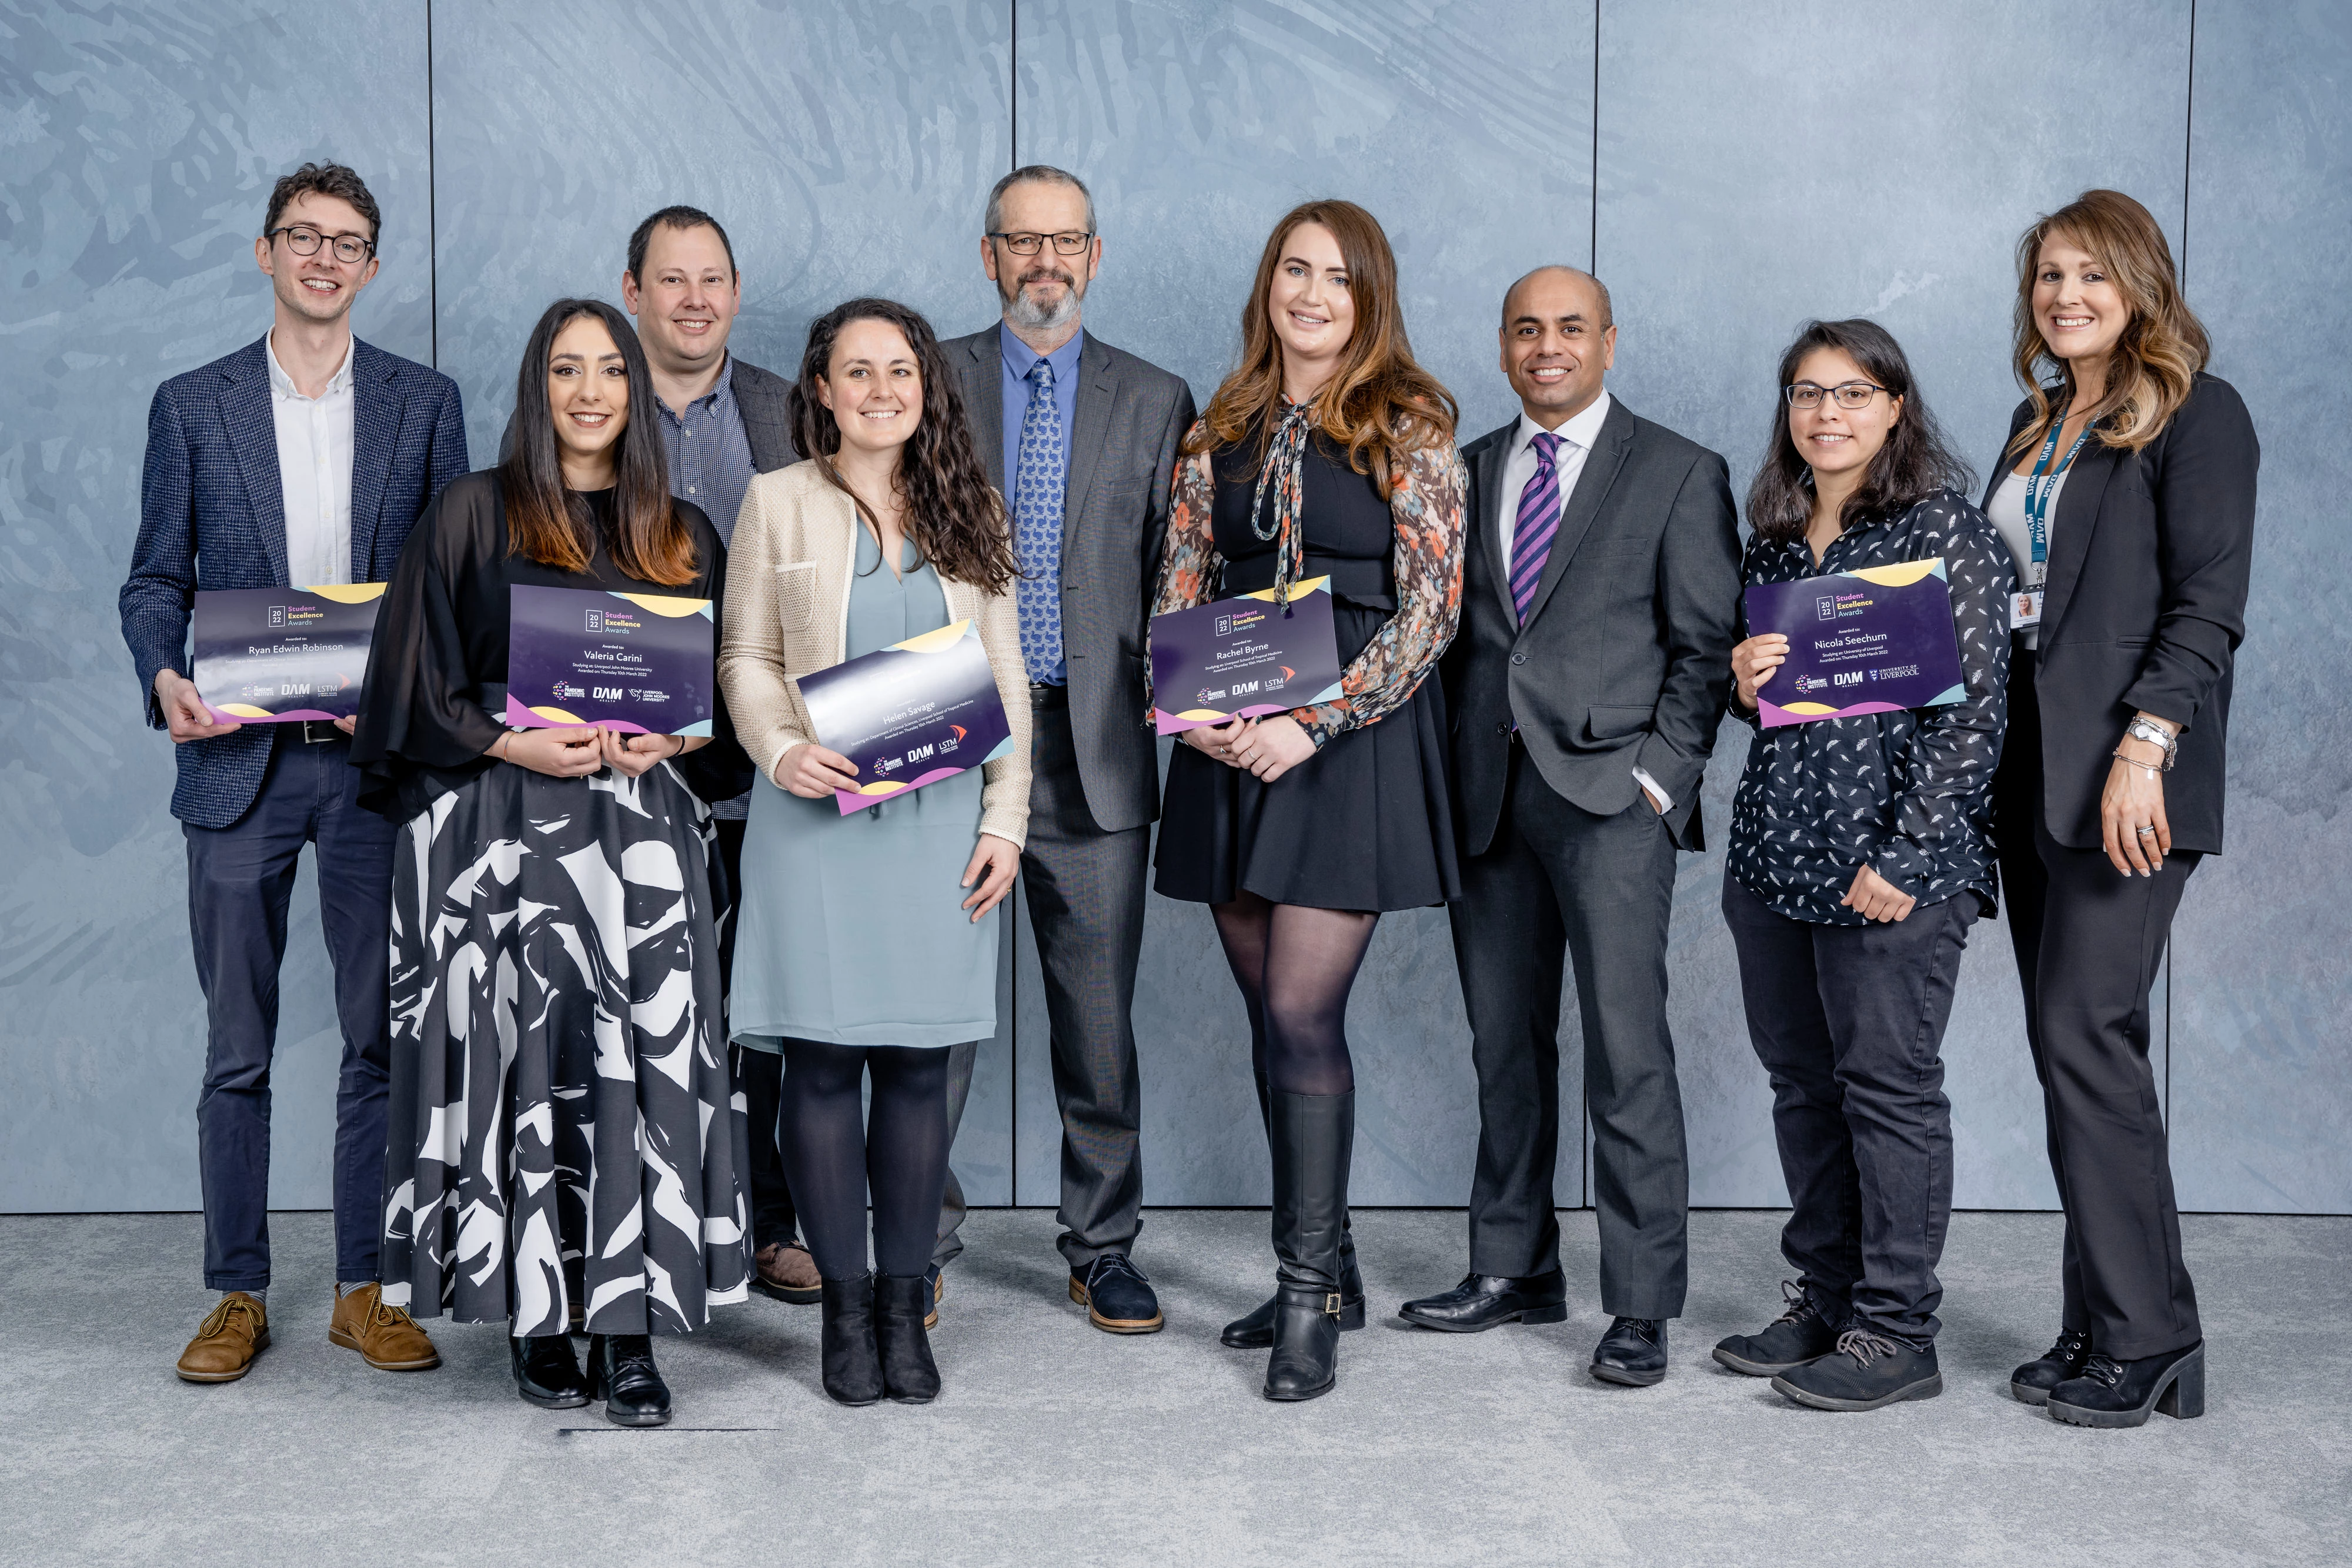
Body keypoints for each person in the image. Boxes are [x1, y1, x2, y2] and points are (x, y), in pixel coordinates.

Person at [353, 299, 753, 1428]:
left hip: (643, 853)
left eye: (611, 371)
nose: (590, 391)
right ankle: (538, 1320)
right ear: (538, 387)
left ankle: (627, 1333)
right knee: (525, 1076)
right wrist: (503, 736)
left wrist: (673, 736)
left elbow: (726, 706)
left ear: (637, 390)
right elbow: (409, 681)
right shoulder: (472, 514)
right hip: (501, 844)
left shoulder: (680, 530)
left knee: (635, 1078)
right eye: (567, 370)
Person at [119, 161, 465, 1385]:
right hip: (237, 765)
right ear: (265, 251)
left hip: (373, 771)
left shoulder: (424, 404)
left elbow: (449, 588)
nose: (325, 258)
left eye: (349, 242)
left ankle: (365, 1287)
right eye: (304, 238)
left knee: (379, 1038)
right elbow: (155, 577)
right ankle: (235, 1290)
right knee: (238, 1044)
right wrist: (164, 671)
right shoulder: (193, 405)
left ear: (373, 266)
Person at [1150, 199, 1466, 1402]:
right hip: (1228, 744)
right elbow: (1179, 582)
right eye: (1295, 269)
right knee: (1262, 1018)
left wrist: (1313, 721)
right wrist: (1194, 706)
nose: (1312, 294)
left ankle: (1302, 1300)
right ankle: (1325, 1265)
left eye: (1338, 277)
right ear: (1267, 284)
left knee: (1300, 1012)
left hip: (1345, 746)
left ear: (1367, 295)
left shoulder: (1408, 424)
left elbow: (1431, 610)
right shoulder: (1214, 429)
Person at [1404, 266, 1740, 1388]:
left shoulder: (1681, 471)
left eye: (1571, 329)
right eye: (1526, 329)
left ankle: (1640, 1301)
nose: (1548, 346)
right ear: (1503, 346)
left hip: (1613, 805)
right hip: (1487, 799)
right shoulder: (1465, 472)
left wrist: (1664, 780)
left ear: (1610, 342)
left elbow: (1705, 645)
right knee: (1503, 1048)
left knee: (1626, 1052)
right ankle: (1514, 1267)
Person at [720, 298, 1031, 1407]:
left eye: (899, 369)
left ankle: (908, 1307)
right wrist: (781, 748)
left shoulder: (969, 506)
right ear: (823, 389)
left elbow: (1005, 676)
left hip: (940, 825)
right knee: (815, 1066)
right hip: (813, 820)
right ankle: (843, 1314)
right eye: (858, 371)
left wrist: (1005, 820)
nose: (881, 389)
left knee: (913, 1066)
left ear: (923, 385)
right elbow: (745, 656)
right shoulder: (779, 503)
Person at [1985, 190, 2256, 1429]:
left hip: (2123, 773)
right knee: (2072, 1047)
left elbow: (2205, 603)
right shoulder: (2036, 419)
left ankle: (2145, 1339)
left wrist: (2144, 744)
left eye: (2089, 273)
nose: (2065, 296)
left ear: (2138, 281)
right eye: (2047, 275)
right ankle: (2105, 1317)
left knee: (2080, 1029)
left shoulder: (2198, 414)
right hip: (2023, 772)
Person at [1713, 319, 2009, 1412]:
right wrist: (1741, 679)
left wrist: (1907, 855)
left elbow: (1973, 721)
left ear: (1895, 408)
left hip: (1891, 871)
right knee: (1803, 1087)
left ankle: (1897, 1330)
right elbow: (1773, 710)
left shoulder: (1945, 534)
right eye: (1805, 393)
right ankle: (1826, 1296)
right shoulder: (1780, 542)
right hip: (1775, 861)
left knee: (1886, 1091)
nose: (1826, 413)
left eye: (1851, 392)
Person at [933, 165, 1195, 1333]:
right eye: (1021, 242)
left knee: (1095, 1024)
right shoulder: (924, 377)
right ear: (988, 256)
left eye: (1066, 242)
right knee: (928, 1019)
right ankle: (914, 1243)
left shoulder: (1155, 396)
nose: (1045, 261)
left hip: (1093, 751)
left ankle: (1101, 1244)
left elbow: (1175, 579)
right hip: (947, 743)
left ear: (1094, 256)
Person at [622, 205, 814, 1307]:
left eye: (713, 279)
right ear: (635, 289)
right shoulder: (589, 403)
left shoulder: (792, 409)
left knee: (768, 1008)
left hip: (772, 756)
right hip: (635, 756)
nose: (694, 298)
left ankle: (771, 1224)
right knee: (652, 1001)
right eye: (672, 279)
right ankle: (653, 1227)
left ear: (735, 293)